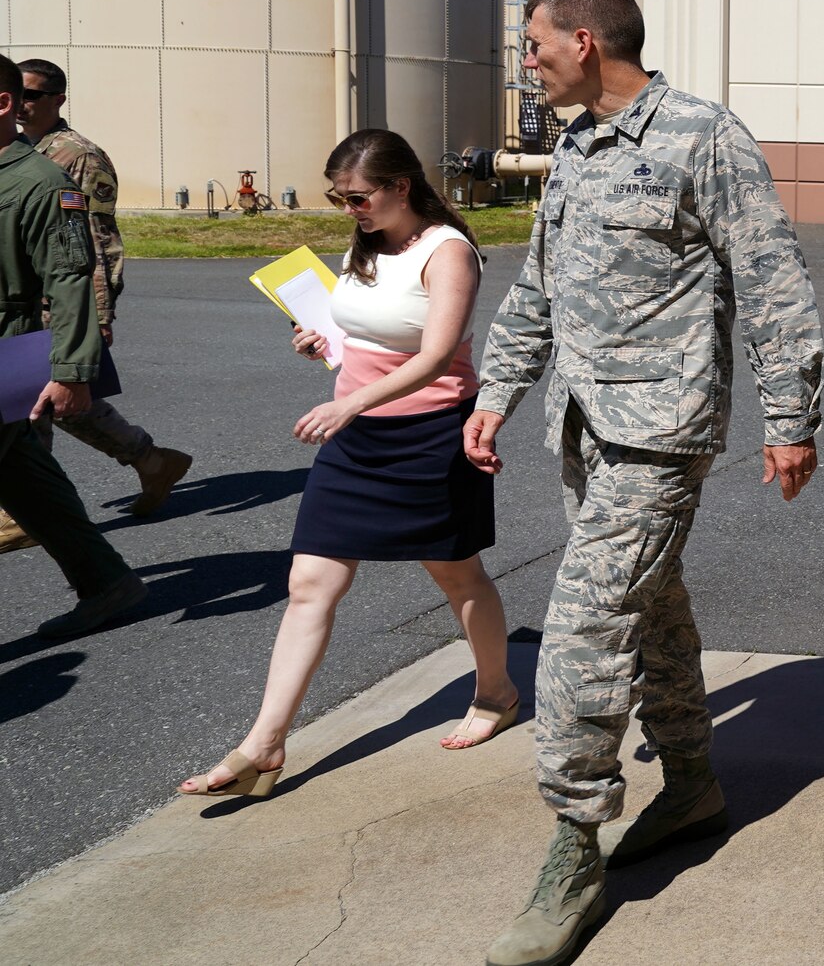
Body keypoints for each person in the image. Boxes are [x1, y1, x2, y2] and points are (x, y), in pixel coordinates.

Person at [465, 0, 824, 966]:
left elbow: (772, 281)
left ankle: (573, 845)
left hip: (660, 433)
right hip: (581, 428)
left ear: (585, 42)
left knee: (584, 623)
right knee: (649, 602)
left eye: (535, 45)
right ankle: (695, 781)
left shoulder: (703, 136)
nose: (528, 64)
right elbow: (536, 289)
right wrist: (496, 394)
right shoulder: (576, 147)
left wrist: (789, 416)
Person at [176, 130, 516, 799]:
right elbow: (363, 334)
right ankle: (265, 742)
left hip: (429, 438)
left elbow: (433, 357)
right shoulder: (366, 243)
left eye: (357, 197)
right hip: (357, 441)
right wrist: (324, 343)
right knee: (309, 584)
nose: (348, 209)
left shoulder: (449, 254)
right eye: (340, 199)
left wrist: (350, 402)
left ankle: (496, 692)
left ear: (401, 187)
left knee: (458, 577)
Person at [3, 59, 192, 541]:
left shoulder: (77, 156)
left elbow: (97, 240)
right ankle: (151, 461)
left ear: (57, 100)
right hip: (24, 302)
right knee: (56, 402)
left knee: (39, 402)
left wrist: (100, 316)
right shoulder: (16, 150)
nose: (23, 104)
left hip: (57, 302)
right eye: (18, 94)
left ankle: (24, 510)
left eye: (32, 95)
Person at [0, 54, 148, 639]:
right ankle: (106, 580)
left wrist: (73, 367)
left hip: (10, 345)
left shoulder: (42, 181)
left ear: (3, 103)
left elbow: (71, 273)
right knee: (21, 472)